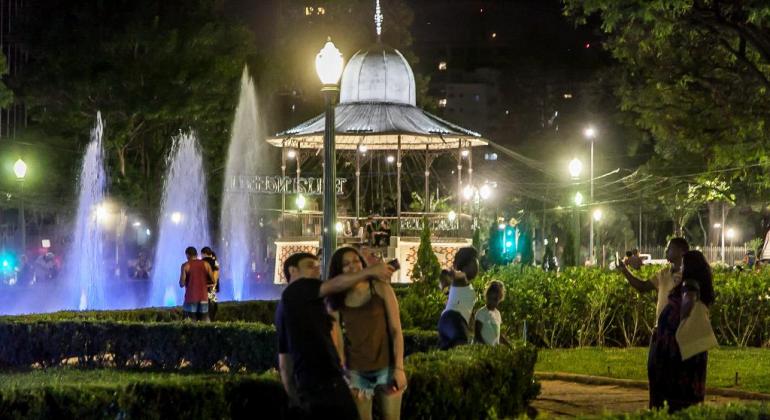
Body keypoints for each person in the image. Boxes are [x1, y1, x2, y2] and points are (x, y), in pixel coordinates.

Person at [276, 252, 395, 419]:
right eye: (310, 266)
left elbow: (284, 363)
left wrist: (295, 399)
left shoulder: (285, 306)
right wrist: (371, 271)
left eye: (318, 266)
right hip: (327, 385)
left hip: (310, 389)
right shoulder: (298, 289)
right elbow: (334, 285)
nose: (317, 270)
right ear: (292, 271)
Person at [327, 247, 406, 420]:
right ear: (338, 271)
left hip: (386, 367)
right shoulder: (336, 299)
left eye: (356, 260)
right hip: (357, 371)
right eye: (346, 264)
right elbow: (338, 340)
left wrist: (399, 368)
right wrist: (344, 373)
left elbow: (396, 331)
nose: (353, 266)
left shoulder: (380, 288)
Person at [617, 237, 689, 408]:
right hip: (659, 332)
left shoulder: (689, 277)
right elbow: (642, 287)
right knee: (654, 372)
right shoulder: (663, 274)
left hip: (679, 334)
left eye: (669, 247)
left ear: (681, 252)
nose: (666, 250)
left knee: (674, 377)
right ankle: (655, 409)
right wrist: (624, 271)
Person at [649, 250, 715, 412]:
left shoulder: (689, 284)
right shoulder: (702, 285)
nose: (681, 267)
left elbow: (686, 306)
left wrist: (677, 317)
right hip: (688, 346)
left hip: (675, 345)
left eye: (684, 265)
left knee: (670, 388)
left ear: (690, 267)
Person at [438, 247, 479, 350]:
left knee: (450, 353)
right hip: (453, 319)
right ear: (465, 265)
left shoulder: (468, 285)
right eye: (475, 263)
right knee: (461, 348)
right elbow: (455, 275)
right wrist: (451, 275)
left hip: (451, 322)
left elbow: (469, 313)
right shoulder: (462, 277)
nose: (477, 267)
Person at [179, 246, 214, 322]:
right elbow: (212, 280)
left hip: (190, 298)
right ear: (197, 254)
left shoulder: (185, 265)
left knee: (191, 321)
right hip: (203, 297)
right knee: (204, 321)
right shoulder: (206, 264)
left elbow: (181, 283)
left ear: (187, 255)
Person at [474, 280, 510, 346]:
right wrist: (486, 347)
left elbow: (498, 335)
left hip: (493, 352)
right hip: (482, 351)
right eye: (492, 298)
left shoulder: (498, 314)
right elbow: (477, 335)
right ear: (487, 296)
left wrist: (509, 345)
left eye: (496, 299)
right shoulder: (481, 313)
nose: (494, 301)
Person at [201, 246, 220, 321]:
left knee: (204, 309)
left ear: (204, 253)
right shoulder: (215, 262)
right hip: (212, 289)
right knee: (212, 308)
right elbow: (216, 276)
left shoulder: (201, 262)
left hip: (203, 289)